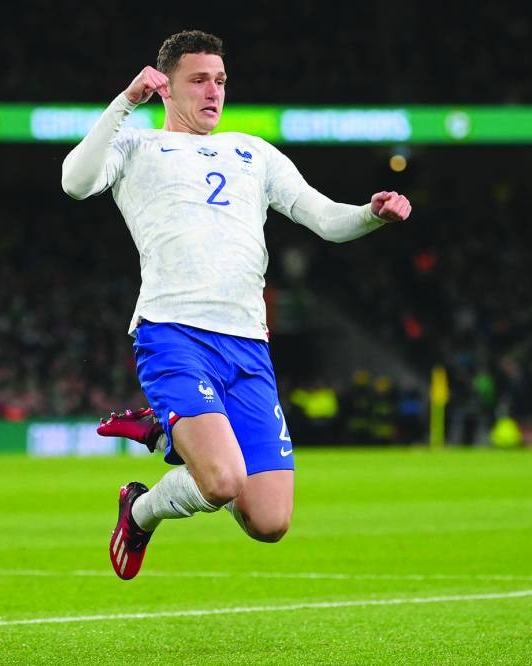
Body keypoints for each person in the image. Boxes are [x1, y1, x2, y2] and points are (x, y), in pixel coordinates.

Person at [61, 30, 411, 580]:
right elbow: (75, 182)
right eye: (198, 80)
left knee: (270, 520)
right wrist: (126, 101)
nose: (213, 91)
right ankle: (152, 490)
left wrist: (370, 213)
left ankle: (155, 460)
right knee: (221, 481)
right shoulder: (135, 148)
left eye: (220, 80)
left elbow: (323, 218)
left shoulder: (253, 152)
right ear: (167, 88)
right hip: (174, 333)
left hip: (248, 343)